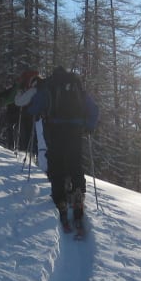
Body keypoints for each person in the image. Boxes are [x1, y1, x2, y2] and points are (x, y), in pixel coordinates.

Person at [25, 66, 99, 233]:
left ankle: (60, 197)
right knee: (75, 161)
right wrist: (90, 126)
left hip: (55, 129)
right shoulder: (76, 85)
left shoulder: (50, 84)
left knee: (56, 162)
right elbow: (94, 109)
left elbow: (34, 107)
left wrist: (33, 111)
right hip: (76, 129)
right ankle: (78, 191)